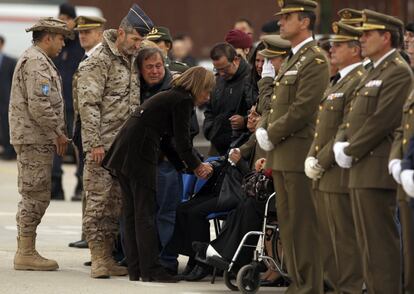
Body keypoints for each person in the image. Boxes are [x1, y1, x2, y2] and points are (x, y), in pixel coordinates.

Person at [102, 66, 215, 283]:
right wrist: (197, 167)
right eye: (207, 91)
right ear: (198, 86)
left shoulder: (169, 96)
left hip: (124, 151)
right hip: (139, 155)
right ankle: (152, 270)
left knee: (132, 214)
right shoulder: (182, 100)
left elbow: (166, 141)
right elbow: (182, 143)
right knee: (145, 215)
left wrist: (183, 167)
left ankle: (136, 269)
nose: (207, 97)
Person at [334, 10, 413, 294]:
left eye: (368, 34)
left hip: (376, 169)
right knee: (366, 247)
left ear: (386, 37)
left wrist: (351, 148)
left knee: (381, 248)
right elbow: (352, 115)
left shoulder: (398, 72)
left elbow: (382, 120)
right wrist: (340, 142)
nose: (362, 39)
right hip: (359, 168)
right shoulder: (372, 71)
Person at [255, 1, 329, 293]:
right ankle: (298, 283)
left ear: (306, 22)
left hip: (298, 151)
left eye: (287, 17)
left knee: (304, 225)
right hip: (283, 154)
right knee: (288, 224)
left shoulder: (315, 60)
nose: (281, 23)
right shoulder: (294, 59)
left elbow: (303, 109)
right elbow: (277, 105)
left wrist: (270, 132)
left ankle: (310, 286)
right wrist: (264, 128)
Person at [77, 4, 153, 279]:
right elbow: (88, 105)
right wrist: (94, 143)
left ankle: (108, 256)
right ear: (120, 33)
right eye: (135, 39)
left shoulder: (130, 58)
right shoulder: (99, 61)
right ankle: (98, 258)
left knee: (115, 204)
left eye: (141, 40)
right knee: (98, 202)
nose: (138, 45)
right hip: (102, 146)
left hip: (124, 148)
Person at [305, 21, 364, 293]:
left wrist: (321, 159)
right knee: (327, 237)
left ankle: (349, 287)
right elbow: (321, 127)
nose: (332, 50)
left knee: (345, 240)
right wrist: (311, 156)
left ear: (356, 49)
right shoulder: (338, 80)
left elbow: (348, 127)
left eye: (338, 46)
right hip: (324, 171)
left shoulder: (358, 79)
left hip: (338, 170)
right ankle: (333, 284)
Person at [9, 17, 72, 271]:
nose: (62, 45)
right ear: (48, 38)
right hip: (34, 138)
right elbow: (39, 105)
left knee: (37, 193)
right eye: (60, 39)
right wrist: (57, 133)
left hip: (36, 138)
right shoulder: (35, 62)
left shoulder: (39, 59)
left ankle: (26, 249)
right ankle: (25, 252)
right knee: (34, 194)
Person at [67, 15, 106, 249]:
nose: (82, 35)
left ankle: (94, 237)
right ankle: (87, 233)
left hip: (98, 134)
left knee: (95, 188)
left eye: (88, 32)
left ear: (100, 34)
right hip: (85, 132)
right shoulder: (87, 57)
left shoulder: (100, 59)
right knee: (87, 185)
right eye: (80, 32)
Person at [51, 3, 84, 200]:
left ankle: (80, 184)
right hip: (57, 106)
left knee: (78, 146)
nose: (63, 21)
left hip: (76, 105)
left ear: (74, 21)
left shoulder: (81, 45)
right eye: (60, 17)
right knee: (56, 146)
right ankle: (56, 186)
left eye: (66, 18)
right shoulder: (56, 43)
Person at [203, 42, 251, 156]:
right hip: (217, 145)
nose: (221, 73)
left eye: (224, 69)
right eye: (217, 69)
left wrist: (244, 121)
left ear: (236, 60)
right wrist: (210, 130)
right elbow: (209, 110)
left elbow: (259, 111)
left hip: (242, 147)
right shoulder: (218, 80)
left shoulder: (250, 79)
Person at [0, 35, 16, 160]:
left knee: (7, 125)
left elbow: (14, 81)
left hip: (5, 99)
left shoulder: (10, 61)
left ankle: (8, 151)